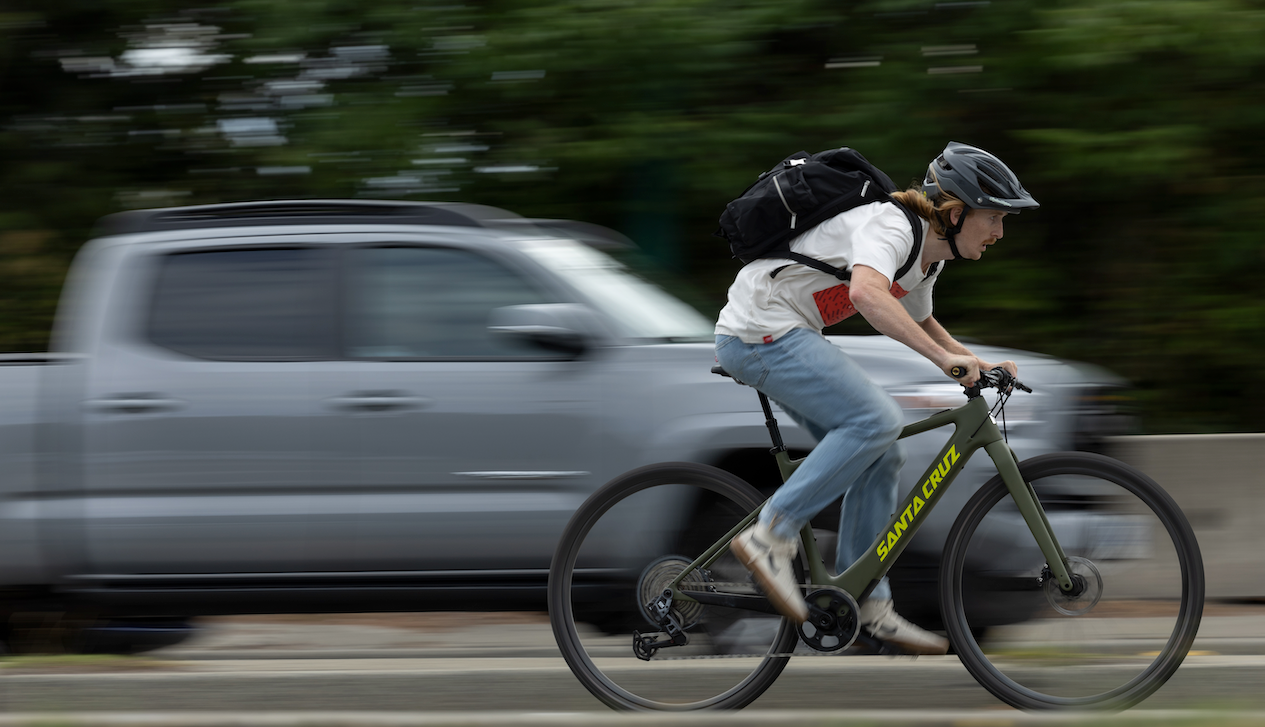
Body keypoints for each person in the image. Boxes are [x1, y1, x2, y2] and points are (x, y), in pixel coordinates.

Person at [715, 142, 1039, 655]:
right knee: (875, 420)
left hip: (788, 334)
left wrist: (973, 360)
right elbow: (868, 294)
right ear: (955, 213)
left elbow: (918, 318)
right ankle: (769, 535)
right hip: (760, 332)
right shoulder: (892, 226)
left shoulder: (928, 257)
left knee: (882, 451)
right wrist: (943, 362)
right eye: (994, 218)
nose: (1000, 233)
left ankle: (866, 599)